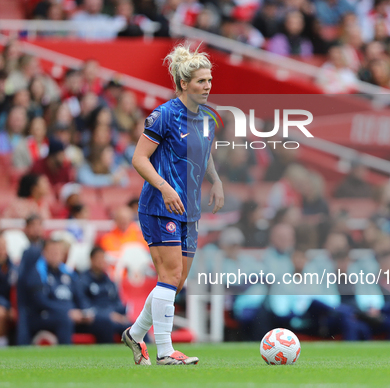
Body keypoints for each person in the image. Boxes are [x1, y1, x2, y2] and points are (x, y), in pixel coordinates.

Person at [122, 45, 224, 366]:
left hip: (189, 210)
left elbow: (204, 153)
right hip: (160, 204)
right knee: (170, 275)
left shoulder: (207, 119)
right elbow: (139, 158)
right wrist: (164, 187)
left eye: (209, 80)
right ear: (183, 84)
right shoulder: (164, 115)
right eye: (200, 81)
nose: (207, 86)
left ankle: (135, 335)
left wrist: (216, 180)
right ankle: (166, 351)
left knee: (176, 281)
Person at [17, 237, 93, 345]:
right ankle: (65, 357)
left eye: (58, 252)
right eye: (52, 252)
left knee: (101, 321)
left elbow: (79, 297)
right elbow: (40, 301)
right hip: (43, 315)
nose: (55, 255)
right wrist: (67, 311)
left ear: (63, 255)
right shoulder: (38, 272)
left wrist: (85, 311)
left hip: (71, 313)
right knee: (64, 319)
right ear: (44, 253)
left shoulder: (68, 274)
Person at [77, 247, 130, 343]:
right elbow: (85, 306)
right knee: (106, 325)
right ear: (91, 260)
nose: (101, 261)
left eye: (103, 258)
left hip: (113, 317)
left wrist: (121, 313)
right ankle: (109, 356)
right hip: (96, 320)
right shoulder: (83, 281)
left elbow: (117, 302)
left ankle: (146, 355)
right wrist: (108, 315)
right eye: (98, 258)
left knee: (135, 326)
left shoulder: (108, 281)